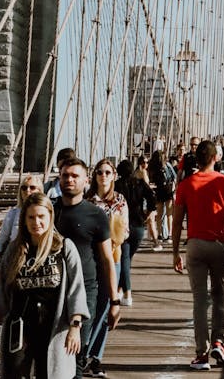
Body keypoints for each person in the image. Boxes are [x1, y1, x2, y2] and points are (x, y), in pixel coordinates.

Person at [0, 192, 88, 378]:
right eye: (31, 217)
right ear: (24, 220)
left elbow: (76, 290)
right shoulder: (15, 250)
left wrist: (75, 327)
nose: (36, 222)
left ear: (50, 216)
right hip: (20, 327)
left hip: (53, 327)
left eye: (41, 216)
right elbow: (0, 292)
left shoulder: (64, 248)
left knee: (50, 373)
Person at [172, 140, 224, 370]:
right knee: (219, 295)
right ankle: (218, 342)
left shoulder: (185, 185)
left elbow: (177, 222)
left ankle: (201, 355)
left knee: (200, 300)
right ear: (214, 158)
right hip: (220, 244)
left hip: (195, 245)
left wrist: (175, 253)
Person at [53, 159, 120, 379]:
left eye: (74, 176)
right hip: (52, 289)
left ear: (85, 181)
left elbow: (108, 259)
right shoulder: (49, 212)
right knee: (50, 353)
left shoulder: (96, 215)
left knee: (77, 354)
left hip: (86, 291)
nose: (69, 180)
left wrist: (114, 301)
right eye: (65, 175)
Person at [83, 159, 129, 377]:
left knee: (106, 308)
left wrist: (115, 235)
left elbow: (126, 231)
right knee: (90, 307)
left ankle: (95, 357)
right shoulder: (87, 201)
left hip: (113, 257)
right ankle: (84, 352)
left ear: (113, 176)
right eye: (99, 172)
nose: (103, 175)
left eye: (107, 172)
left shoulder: (120, 201)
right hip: (91, 259)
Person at [115, 159, 152, 305]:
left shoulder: (116, 186)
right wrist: (147, 213)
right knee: (127, 259)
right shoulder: (140, 183)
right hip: (138, 226)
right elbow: (152, 197)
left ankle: (127, 294)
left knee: (124, 259)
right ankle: (119, 289)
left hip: (122, 226)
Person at [0, 174, 45, 264]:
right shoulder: (13, 214)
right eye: (24, 188)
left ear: (40, 191)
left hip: (40, 258)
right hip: (15, 259)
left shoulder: (47, 213)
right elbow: (2, 238)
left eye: (32, 187)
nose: (27, 190)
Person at [148, 149, 177, 244]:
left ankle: (160, 234)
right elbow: (174, 176)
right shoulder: (167, 165)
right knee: (169, 214)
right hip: (168, 190)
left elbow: (150, 179)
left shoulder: (152, 167)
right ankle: (169, 235)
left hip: (158, 190)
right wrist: (174, 189)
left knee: (159, 214)